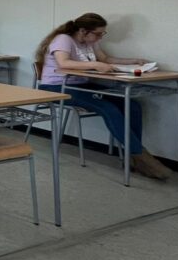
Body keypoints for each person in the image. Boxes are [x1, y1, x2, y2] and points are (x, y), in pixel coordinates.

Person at [35, 12, 170, 180]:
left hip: (79, 85)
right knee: (108, 108)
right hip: (55, 87)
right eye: (98, 33)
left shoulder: (90, 42)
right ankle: (140, 156)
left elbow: (105, 59)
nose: (100, 37)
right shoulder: (64, 39)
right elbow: (63, 63)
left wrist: (133, 61)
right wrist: (95, 64)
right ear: (83, 31)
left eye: (102, 34)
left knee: (132, 105)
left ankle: (132, 156)